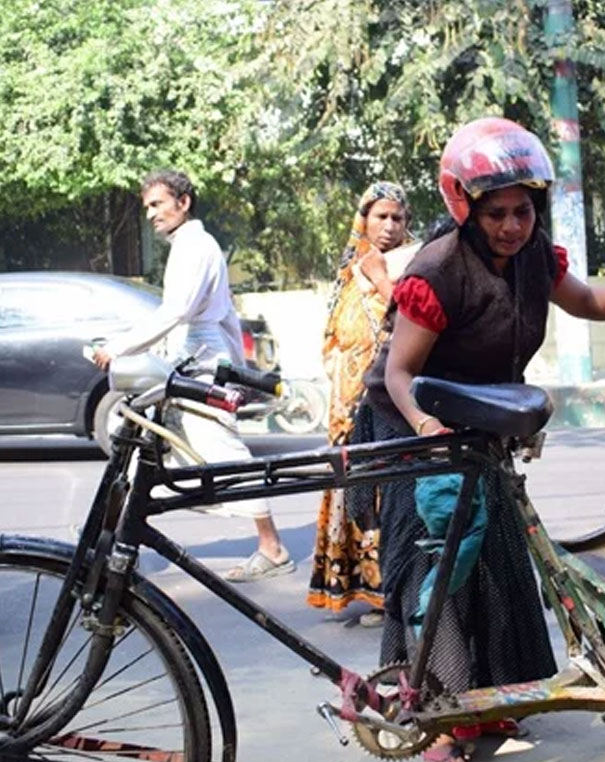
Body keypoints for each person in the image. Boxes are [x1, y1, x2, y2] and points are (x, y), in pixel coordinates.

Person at [363, 117, 605, 762]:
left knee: (495, 564)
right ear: (465, 206)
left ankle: (486, 703)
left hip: (478, 426)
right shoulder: (436, 271)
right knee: (441, 575)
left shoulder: (534, 255)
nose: (513, 226)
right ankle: (434, 723)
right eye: (497, 214)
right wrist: (427, 426)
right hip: (417, 432)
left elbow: (586, 300)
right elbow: (399, 375)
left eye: (523, 211)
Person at [93, 169, 293, 582]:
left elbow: (177, 311)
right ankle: (114, 537)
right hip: (188, 362)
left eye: (158, 204)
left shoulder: (196, 247)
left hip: (202, 367)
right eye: (147, 207)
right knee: (144, 448)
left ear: (183, 203)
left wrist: (120, 347)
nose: (151, 214)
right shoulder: (187, 245)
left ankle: (272, 548)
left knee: (223, 453)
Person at [308, 181, 414, 625]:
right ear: (363, 220)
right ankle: (364, 589)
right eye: (380, 217)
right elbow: (333, 336)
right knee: (353, 492)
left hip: (388, 405)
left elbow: (412, 316)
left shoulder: (411, 266)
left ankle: (390, 591)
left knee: (386, 493)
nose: (388, 226)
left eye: (397, 218)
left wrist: (381, 277)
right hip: (347, 403)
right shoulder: (349, 270)